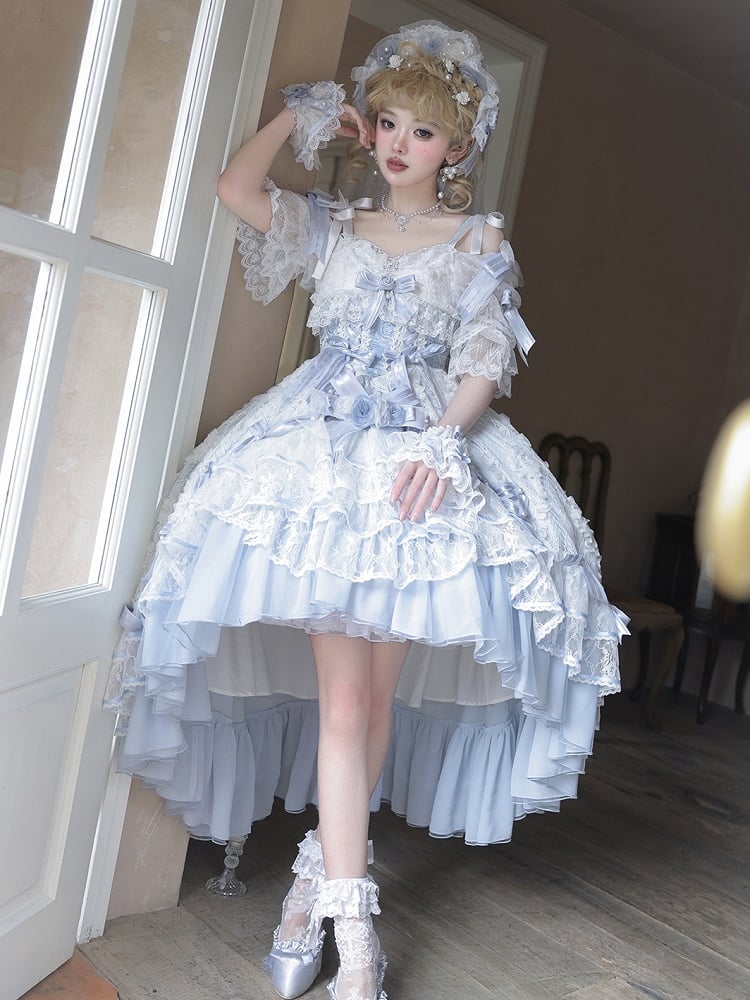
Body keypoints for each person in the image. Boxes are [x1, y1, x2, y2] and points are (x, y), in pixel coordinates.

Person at [105, 20, 627, 1000]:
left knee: (372, 704)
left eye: (422, 131)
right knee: (346, 704)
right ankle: (355, 937)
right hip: (322, 466)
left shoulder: (479, 240)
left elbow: (484, 358)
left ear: (457, 147)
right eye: (387, 123)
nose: (397, 144)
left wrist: (444, 442)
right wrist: (300, 114)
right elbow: (235, 189)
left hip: (416, 470)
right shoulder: (334, 225)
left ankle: (310, 890)